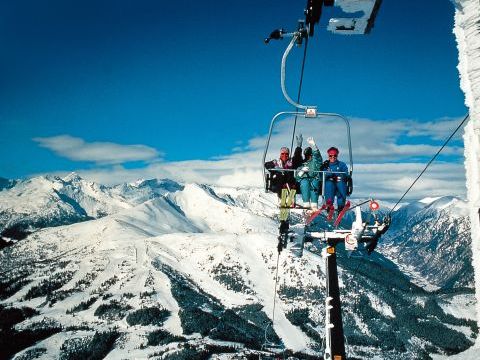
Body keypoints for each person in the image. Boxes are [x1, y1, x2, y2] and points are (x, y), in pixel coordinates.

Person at [295, 137, 323, 209]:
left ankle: (314, 204)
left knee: (314, 183)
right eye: (307, 156)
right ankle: (306, 204)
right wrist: (301, 173)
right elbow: (297, 177)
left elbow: (318, 158)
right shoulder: (302, 164)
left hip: (314, 178)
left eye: (310, 155)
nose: (308, 157)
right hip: (305, 180)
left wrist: (314, 147)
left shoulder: (315, 162)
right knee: (304, 183)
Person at [324, 146, 349, 211]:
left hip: (339, 183)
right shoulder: (326, 165)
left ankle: (341, 205)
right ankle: (329, 204)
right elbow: (322, 175)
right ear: (328, 156)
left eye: (335, 156)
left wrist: (339, 176)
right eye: (330, 156)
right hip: (330, 184)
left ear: (337, 155)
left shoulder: (341, 164)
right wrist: (330, 176)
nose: (333, 157)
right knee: (329, 183)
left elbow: (345, 173)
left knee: (341, 184)